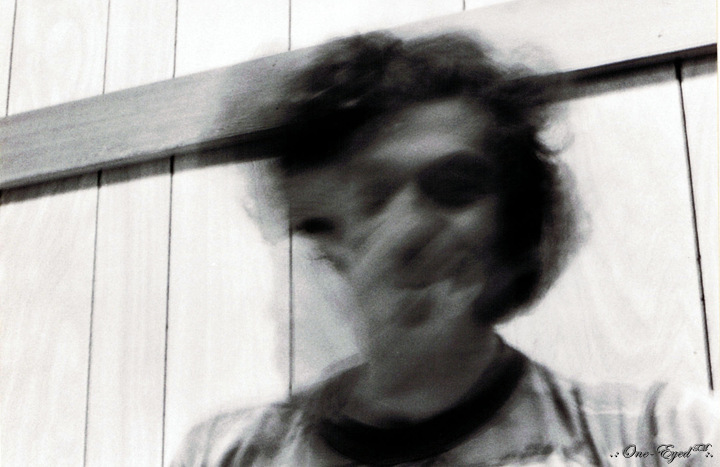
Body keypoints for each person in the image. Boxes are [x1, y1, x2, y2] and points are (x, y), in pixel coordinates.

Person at [173, 32, 718, 466]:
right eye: (373, 196)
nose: (409, 231)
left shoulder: (658, 436)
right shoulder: (226, 454)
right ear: (323, 235)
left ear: (515, 227)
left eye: (455, 188)